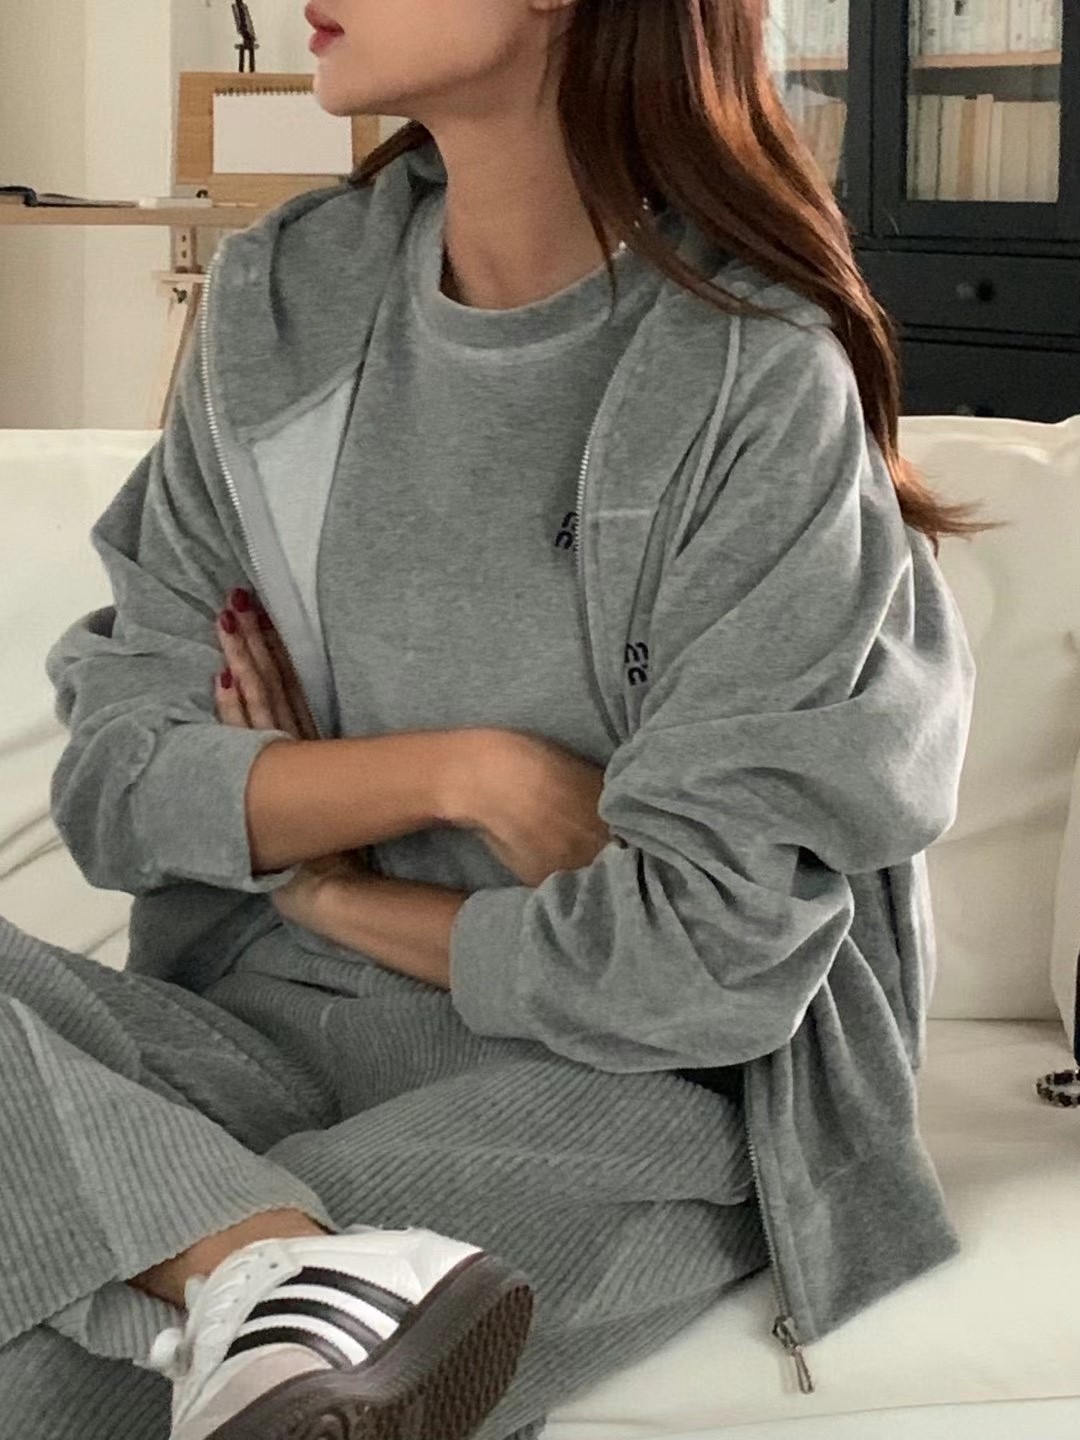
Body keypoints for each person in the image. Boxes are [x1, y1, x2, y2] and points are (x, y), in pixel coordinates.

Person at [0, 0, 989, 1437]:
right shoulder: (288, 301)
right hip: (244, 1031)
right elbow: (117, 783)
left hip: (607, 1091)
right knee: (282, 1349)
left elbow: (704, 962)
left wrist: (323, 877)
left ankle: (250, 1282)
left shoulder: (753, 380)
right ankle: (256, 1267)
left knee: (64, 1376)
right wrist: (474, 775)